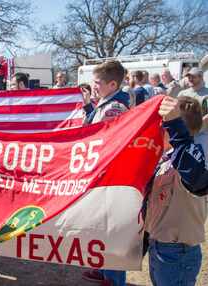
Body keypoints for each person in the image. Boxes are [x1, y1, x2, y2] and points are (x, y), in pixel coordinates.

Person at [145, 96, 208, 286]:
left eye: (161, 126)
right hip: (160, 245)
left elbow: (195, 178)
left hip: (178, 252)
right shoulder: (168, 157)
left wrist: (173, 124)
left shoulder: (191, 159)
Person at [81, 60, 129, 286]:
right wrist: (88, 107)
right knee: (101, 225)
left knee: (111, 228)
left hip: (112, 175)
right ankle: (104, 271)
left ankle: (113, 278)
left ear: (112, 84)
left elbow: (107, 141)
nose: (94, 85)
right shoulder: (105, 103)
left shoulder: (115, 107)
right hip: (104, 173)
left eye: (97, 82)